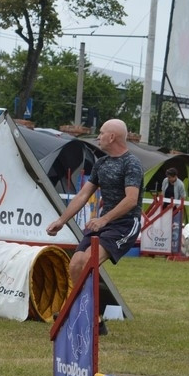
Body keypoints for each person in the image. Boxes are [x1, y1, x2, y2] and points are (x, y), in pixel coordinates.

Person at [47, 119, 143, 334]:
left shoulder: (132, 164)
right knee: (76, 264)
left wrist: (104, 219)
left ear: (112, 137)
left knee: (89, 261)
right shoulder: (101, 163)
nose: (98, 137)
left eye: (101, 133)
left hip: (125, 223)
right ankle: (95, 321)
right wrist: (62, 220)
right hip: (103, 222)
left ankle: (74, 312)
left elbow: (131, 200)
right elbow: (83, 195)